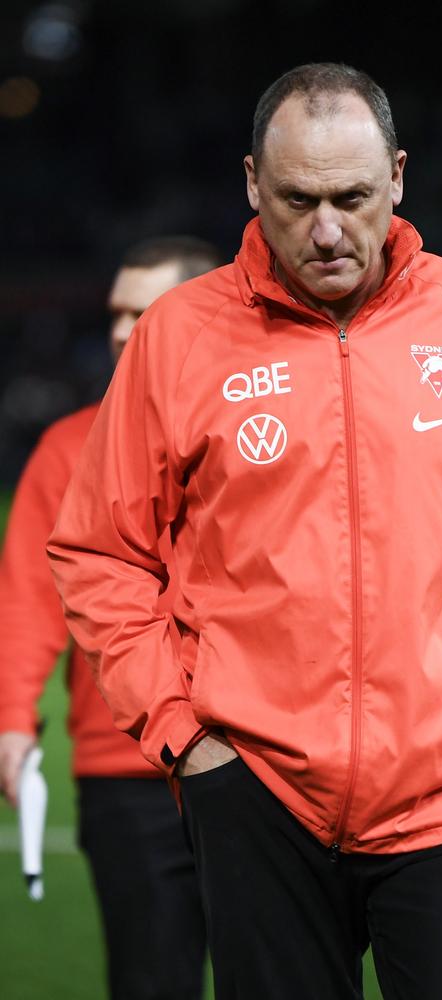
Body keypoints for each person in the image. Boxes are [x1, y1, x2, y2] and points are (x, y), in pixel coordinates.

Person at [46, 64, 442, 1000]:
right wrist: (186, 739)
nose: (327, 231)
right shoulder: (177, 338)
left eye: (352, 198)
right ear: (251, 184)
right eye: (297, 200)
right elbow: (98, 553)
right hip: (257, 797)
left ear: (397, 178)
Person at [0, 234, 222, 1000]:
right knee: (152, 983)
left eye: (143, 311)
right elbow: (29, 596)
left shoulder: (262, 427)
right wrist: (12, 720)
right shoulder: (67, 447)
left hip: (264, 757)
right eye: (116, 315)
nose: (123, 331)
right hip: (128, 769)